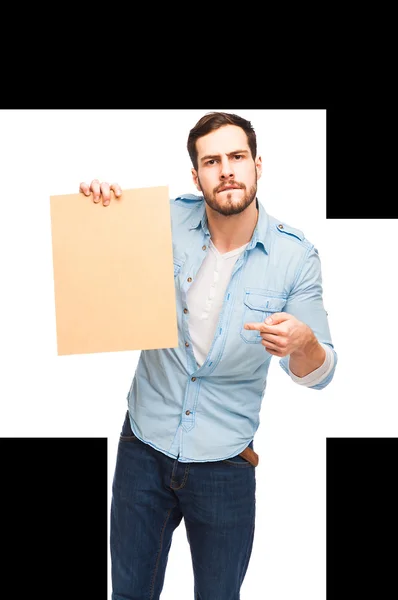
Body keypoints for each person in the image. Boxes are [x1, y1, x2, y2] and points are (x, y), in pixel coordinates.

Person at [79, 111, 337, 600]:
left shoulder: (295, 257)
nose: (227, 170)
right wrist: (100, 210)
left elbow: (320, 373)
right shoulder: (161, 219)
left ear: (258, 165)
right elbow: (98, 262)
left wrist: (304, 343)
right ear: (196, 176)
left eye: (237, 157)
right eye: (212, 161)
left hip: (226, 464)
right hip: (143, 448)